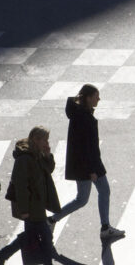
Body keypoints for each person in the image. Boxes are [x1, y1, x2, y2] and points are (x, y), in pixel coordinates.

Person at [46, 84, 125, 242]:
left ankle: (52, 220)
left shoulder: (79, 113)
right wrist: (92, 170)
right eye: (96, 96)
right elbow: (86, 147)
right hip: (89, 165)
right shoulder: (84, 118)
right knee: (102, 191)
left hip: (82, 165)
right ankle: (105, 228)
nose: (99, 99)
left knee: (82, 199)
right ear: (88, 98)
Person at [0, 127, 67, 265]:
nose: (47, 142)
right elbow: (21, 186)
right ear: (35, 140)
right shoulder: (24, 159)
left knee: (32, 237)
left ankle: (3, 255)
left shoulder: (37, 153)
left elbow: (49, 170)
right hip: (31, 207)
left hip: (38, 204)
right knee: (46, 239)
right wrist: (24, 210)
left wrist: (47, 154)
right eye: (44, 140)